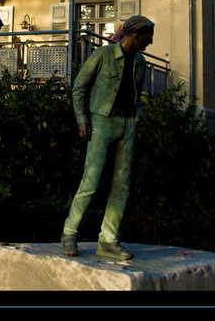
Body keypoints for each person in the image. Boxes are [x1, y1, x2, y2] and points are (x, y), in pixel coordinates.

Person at [61, 14, 155, 261]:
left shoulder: (140, 62)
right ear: (137, 35)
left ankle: (108, 240)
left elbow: (137, 93)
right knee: (91, 180)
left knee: (122, 184)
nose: (151, 42)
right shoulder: (102, 55)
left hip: (128, 125)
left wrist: (137, 116)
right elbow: (79, 87)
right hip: (101, 122)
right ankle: (70, 232)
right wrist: (82, 118)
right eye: (149, 37)